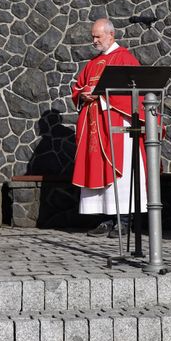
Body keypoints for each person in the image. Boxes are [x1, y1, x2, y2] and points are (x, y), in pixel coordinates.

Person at [71, 18, 143, 238]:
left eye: (98, 36)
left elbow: (134, 93)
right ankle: (106, 219)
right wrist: (83, 94)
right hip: (95, 124)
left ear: (111, 34)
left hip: (117, 125)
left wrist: (101, 95)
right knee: (100, 170)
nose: (94, 41)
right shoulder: (92, 63)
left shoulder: (125, 59)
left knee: (121, 175)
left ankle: (124, 220)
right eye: (92, 36)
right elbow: (78, 86)